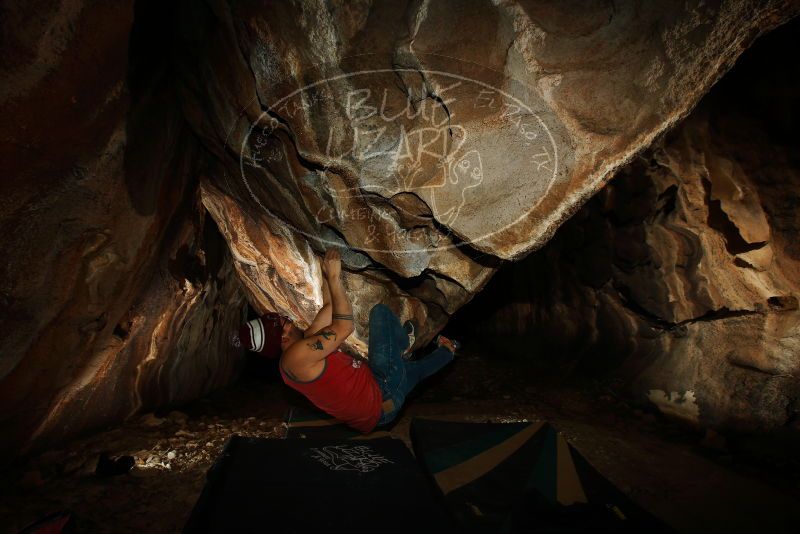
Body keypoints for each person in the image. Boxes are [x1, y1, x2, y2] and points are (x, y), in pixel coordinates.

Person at [232, 248, 458, 432]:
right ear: (282, 336)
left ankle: (448, 351)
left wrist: (324, 272)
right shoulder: (295, 358)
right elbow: (344, 326)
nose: (288, 320)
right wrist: (335, 278)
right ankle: (402, 344)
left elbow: (330, 308)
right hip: (382, 392)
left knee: (414, 372)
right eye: (284, 323)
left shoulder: (300, 352)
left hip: (380, 411)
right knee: (380, 313)